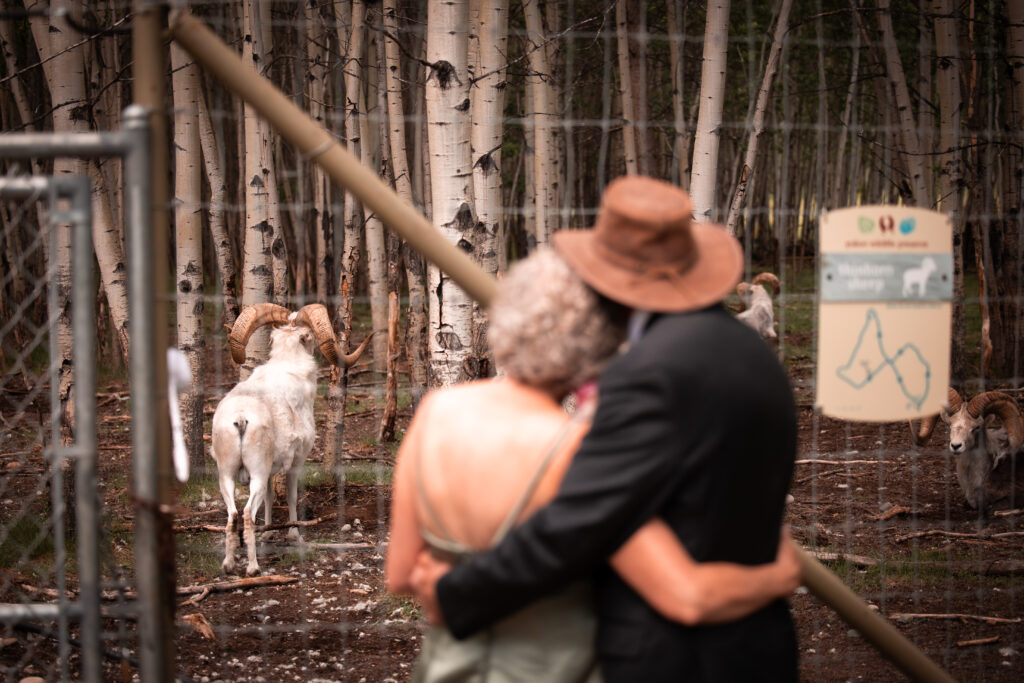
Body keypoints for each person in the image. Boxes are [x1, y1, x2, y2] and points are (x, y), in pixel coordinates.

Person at [409, 175, 800, 682]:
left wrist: (454, 595)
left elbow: (577, 522)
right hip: (761, 649)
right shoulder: (753, 355)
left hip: (672, 660)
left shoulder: (652, 373)